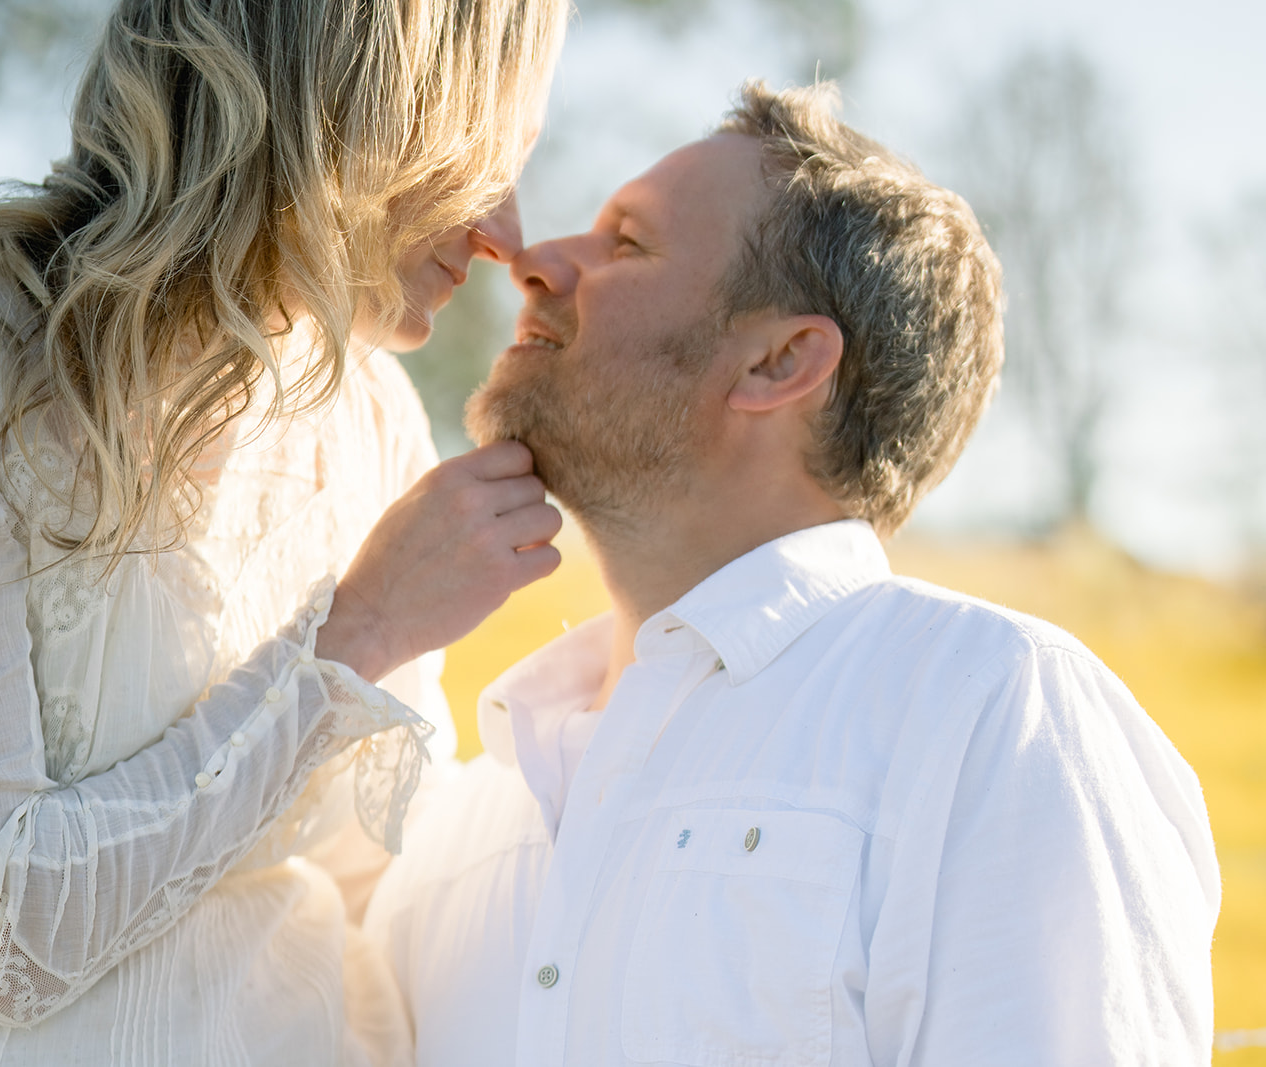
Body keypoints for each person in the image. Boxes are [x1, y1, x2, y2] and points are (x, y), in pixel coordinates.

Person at [0, 0, 569, 1063]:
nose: (509, 235)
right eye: (482, 157)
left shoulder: (374, 417)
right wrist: (356, 635)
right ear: (346, 110)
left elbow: (378, 885)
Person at [362, 81, 1221, 1066]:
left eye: (626, 243)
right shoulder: (472, 814)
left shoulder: (990, 713)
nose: (536, 262)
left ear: (777, 361)